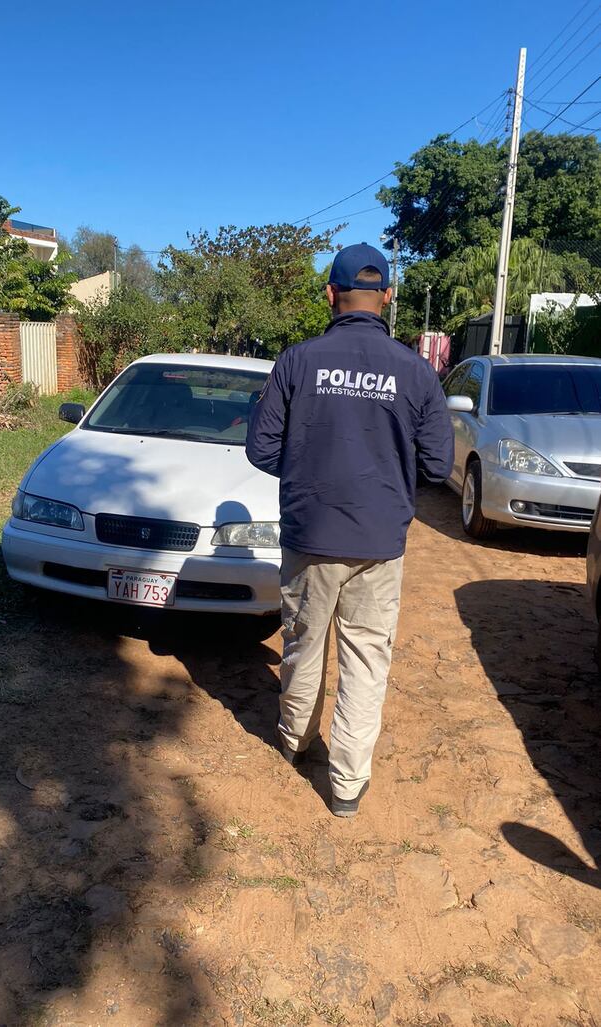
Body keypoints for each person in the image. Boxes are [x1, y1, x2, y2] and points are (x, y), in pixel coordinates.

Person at [246, 242, 453, 818]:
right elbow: (439, 466)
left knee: (304, 644)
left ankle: (294, 742)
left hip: (309, 534)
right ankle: (346, 785)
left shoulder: (296, 362)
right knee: (367, 659)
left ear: (330, 295)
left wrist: (312, 470)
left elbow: (260, 449)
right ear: (387, 297)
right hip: (380, 543)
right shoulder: (416, 372)